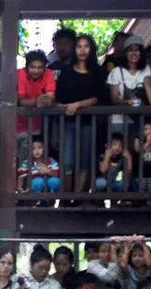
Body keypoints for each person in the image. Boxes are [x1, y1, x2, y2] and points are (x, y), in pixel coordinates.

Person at [55, 34, 104, 193]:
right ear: (75, 49)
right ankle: (66, 196)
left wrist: (78, 105)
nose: (82, 50)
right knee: (67, 160)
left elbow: (97, 97)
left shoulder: (97, 71)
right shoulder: (66, 71)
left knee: (84, 160)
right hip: (68, 122)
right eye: (79, 46)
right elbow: (58, 97)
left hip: (88, 122)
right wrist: (66, 106)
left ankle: (79, 196)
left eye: (86, 46)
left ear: (91, 49)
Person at [17, 50, 56, 144]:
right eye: (33, 67)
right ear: (27, 66)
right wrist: (38, 101)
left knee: (34, 155)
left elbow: (50, 96)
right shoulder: (20, 74)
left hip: (37, 126)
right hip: (17, 124)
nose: (36, 70)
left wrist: (45, 100)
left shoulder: (48, 73)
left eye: (40, 67)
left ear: (44, 67)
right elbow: (20, 100)